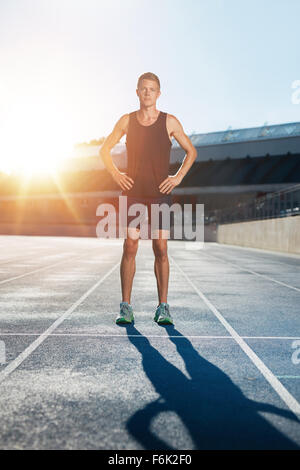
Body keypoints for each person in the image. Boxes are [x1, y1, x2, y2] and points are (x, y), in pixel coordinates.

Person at [100, 72, 197, 325]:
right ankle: (125, 307)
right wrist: (115, 174)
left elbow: (191, 151)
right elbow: (104, 149)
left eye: (152, 89)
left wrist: (177, 177)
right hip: (133, 193)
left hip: (160, 194)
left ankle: (163, 307)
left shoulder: (169, 122)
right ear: (137, 91)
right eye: (143, 89)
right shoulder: (126, 121)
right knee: (130, 246)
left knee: (160, 247)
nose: (147, 93)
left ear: (158, 93)